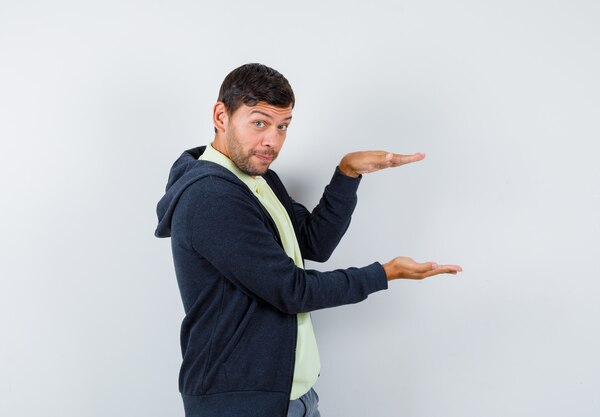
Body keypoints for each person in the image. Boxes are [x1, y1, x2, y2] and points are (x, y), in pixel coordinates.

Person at [155, 63, 462, 417]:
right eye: (259, 123)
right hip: (239, 402)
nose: (272, 140)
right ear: (221, 116)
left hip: (289, 396)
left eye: (283, 126)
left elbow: (313, 244)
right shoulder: (211, 196)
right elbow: (292, 290)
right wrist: (385, 273)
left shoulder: (260, 180)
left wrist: (348, 173)